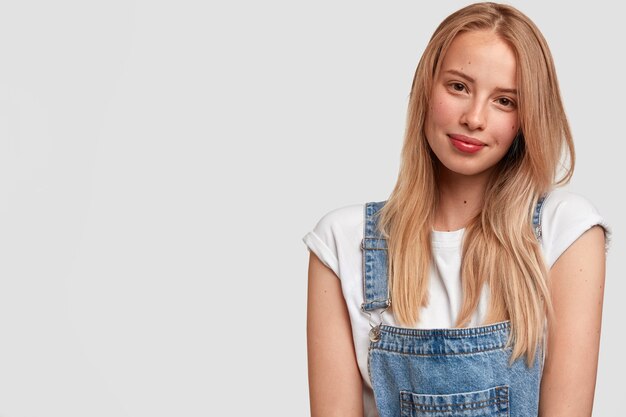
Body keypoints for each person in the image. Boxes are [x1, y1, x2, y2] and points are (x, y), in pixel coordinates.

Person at [302, 2, 612, 417]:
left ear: (526, 119)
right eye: (459, 87)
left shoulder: (565, 230)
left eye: (504, 100)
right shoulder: (343, 243)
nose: (475, 118)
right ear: (426, 88)